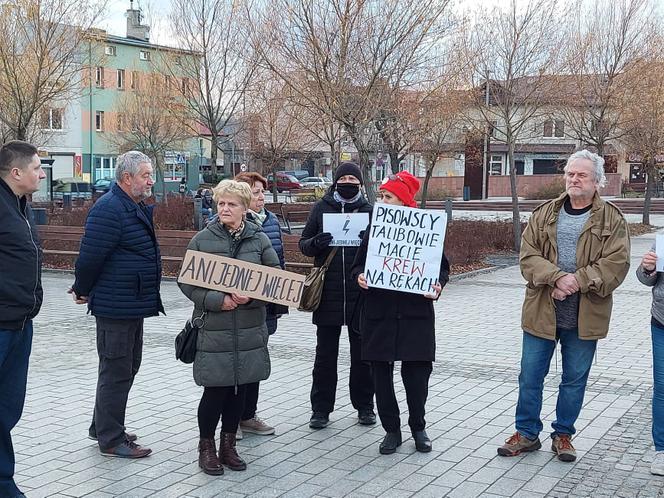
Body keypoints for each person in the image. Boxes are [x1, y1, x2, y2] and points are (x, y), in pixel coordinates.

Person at [497, 149, 630, 462]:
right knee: (530, 376)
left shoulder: (612, 219)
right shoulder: (545, 213)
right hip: (542, 310)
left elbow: (617, 264)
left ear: (597, 182)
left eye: (581, 175)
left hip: (585, 316)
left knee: (573, 379)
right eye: (571, 174)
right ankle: (527, 433)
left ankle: (563, 435)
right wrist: (556, 278)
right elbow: (528, 257)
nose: (574, 179)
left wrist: (577, 281)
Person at [179, 180, 280, 476]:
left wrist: (252, 296)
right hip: (215, 329)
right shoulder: (202, 239)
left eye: (231, 204)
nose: (224, 208)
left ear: (244, 208)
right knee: (214, 392)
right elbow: (187, 282)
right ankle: (206, 448)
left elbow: (274, 278)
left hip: (249, 329)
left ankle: (229, 446)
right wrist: (216, 299)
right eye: (221, 203)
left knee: (239, 391)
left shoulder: (259, 240)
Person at [70, 151, 162, 459]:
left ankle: (102, 426)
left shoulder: (129, 205)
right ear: (127, 178)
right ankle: (111, 439)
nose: (151, 180)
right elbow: (90, 257)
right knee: (117, 369)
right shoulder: (110, 209)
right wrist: (82, 290)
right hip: (116, 305)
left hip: (130, 303)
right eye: (146, 175)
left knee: (124, 366)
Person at [351, 171, 449, 455]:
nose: (382, 201)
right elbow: (357, 266)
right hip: (379, 315)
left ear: (404, 200)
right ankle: (391, 430)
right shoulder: (375, 229)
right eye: (381, 196)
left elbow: (442, 267)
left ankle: (418, 426)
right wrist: (359, 277)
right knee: (381, 375)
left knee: (417, 376)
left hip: (415, 315)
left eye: (388, 196)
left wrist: (438, 285)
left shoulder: (425, 230)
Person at [299, 161, 375, 429]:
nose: (347, 185)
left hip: (360, 295)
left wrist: (370, 241)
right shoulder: (321, 208)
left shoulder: (369, 210)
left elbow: (380, 252)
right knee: (325, 358)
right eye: (342, 181)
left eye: (352, 182)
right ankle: (320, 410)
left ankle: (365, 406)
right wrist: (315, 243)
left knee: (363, 356)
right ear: (334, 183)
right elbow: (304, 244)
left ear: (360, 184)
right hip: (327, 295)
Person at [0, 141, 45, 498]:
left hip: (20, 323)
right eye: (37, 168)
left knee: (8, 408)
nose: (42, 174)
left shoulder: (21, 205)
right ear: (16, 172)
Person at [233, 172, 287, 440]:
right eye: (255, 192)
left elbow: (279, 262)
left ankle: (248, 415)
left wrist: (279, 301)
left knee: (255, 360)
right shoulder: (228, 223)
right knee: (235, 363)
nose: (261, 196)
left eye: (262, 191)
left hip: (263, 305)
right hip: (236, 307)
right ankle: (230, 418)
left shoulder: (272, 221)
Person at [636, 247, 664, 475]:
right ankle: (662, 451)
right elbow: (644, 277)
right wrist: (648, 268)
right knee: (663, 388)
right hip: (662, 322)